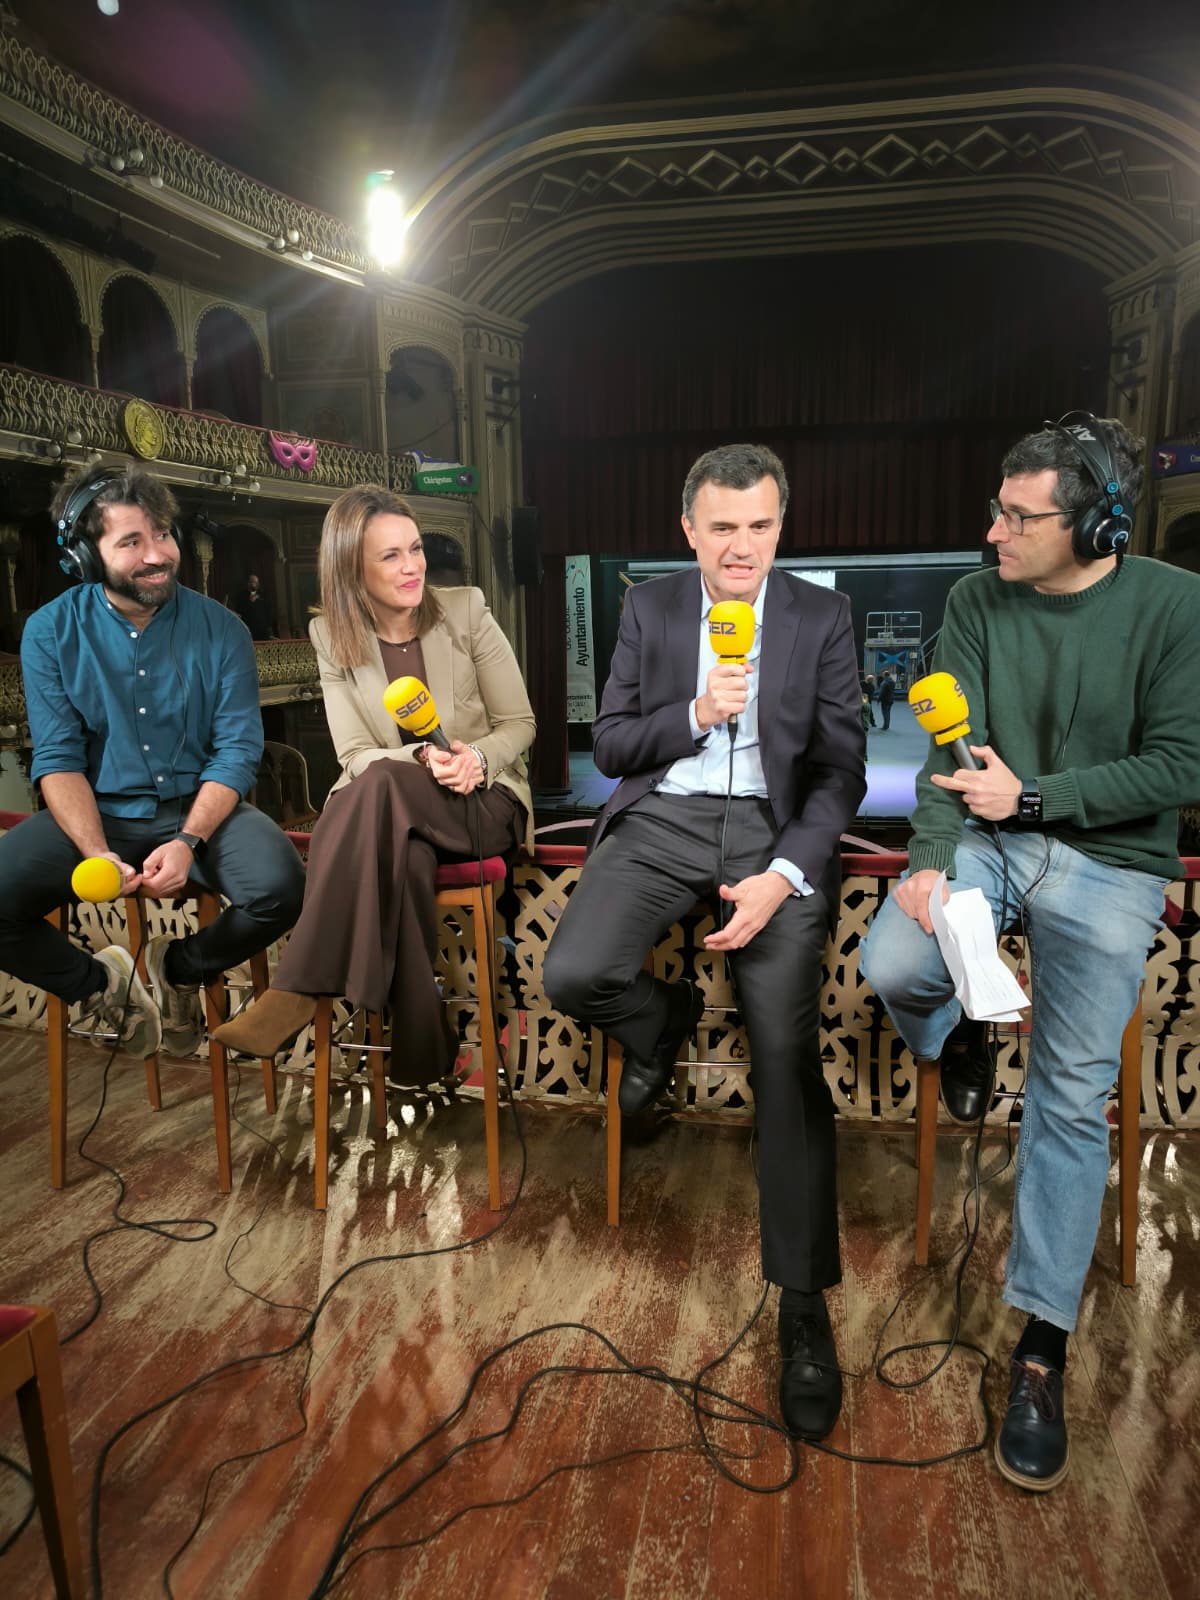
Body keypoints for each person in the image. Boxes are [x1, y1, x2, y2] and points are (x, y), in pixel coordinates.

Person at [859, 412, 1200, 1492]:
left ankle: (1040, 1346)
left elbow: (1182, 763)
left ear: (1093, 521)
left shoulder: (1174, 605)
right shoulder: (974, 601)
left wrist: (1044, 794)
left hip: (1109, 861)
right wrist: (928, 856)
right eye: (996, 509)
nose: (993, 531)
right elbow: (944, 757)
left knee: (1064, 1097)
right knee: (895, 964)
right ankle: (954, 1021)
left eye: (1019, 516)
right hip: (990, 840)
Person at [542, 442, 866, 1441]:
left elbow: (840, 772)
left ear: (781, 526)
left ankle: (803, 1307)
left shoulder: (822, 615)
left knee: (783, 1056)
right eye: (721, 527)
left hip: (774, 833)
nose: (741, 547)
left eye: (759, 526)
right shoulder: (653, 607)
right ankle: (662, 1015)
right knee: (575, 971)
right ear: (690, 530)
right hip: (666, 822)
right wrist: (693, 712)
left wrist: (784, 873)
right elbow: (612, 745)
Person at [213, 486, 535, 1084]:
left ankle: (298, 986)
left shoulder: (466, 609)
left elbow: (520, 722)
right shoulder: (332, 637)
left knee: (381, 784)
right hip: (395, 808)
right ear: (351, 569)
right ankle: (423, 1054)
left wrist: (476, 761)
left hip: (481, 801)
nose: (412, 566)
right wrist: (418, 756)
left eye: (413, 549)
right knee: (405, 860)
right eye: (389, 556)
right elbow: (355, 754)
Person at [0, 465, 306, 1058]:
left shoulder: (224, 629)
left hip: (203, 810)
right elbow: (59, 758)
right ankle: (104, 987)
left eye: (162, 534)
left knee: (280, 888)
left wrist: (189, 839)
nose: (158, 554)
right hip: (97, 814)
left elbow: (238, 749)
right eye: (131, 542)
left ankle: (180, 969)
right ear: (86, 557)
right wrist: (95, 853)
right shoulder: (49, 632)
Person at [232, 573, 277, 638]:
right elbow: (239, 611)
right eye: (252, 582)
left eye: (256, 582)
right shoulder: (241, 596)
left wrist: (268, 627)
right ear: (248, 583)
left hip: (262, 630)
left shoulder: (264, 595)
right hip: (248, 629)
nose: (254, 584)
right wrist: (249, 602)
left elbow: (269, 611)